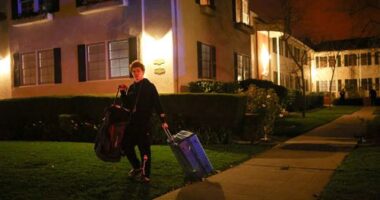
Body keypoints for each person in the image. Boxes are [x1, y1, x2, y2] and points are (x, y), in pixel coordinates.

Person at [119, 60, 169, 183]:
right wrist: (123, 93)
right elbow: (128, 106)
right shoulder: (131, 87)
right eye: (134, 71)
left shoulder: (149, 86)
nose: (136, 73)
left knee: (144, 149)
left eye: (138, 71)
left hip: (144, 124)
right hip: (132, 124)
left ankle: (145, 175)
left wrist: (163, 120)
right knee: (126, 146)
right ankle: (136, 167)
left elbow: (158, 104)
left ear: (143, 72)